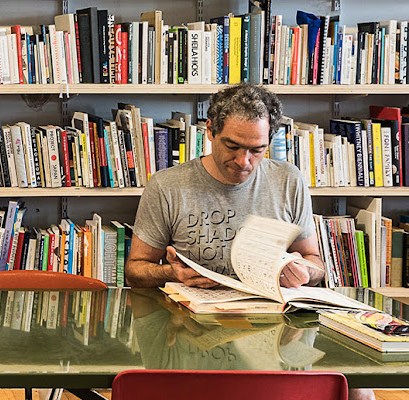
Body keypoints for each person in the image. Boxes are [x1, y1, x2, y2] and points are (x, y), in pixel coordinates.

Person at [125, 83, 373, 400]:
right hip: (193, 331)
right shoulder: (168, 186)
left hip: (274, 332)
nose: (244, 161)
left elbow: (315, 264)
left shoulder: (288, 180)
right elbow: (135, 270)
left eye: (257, 150)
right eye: (232, 146)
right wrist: (170, 273)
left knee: (361, 391)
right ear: (210, 129)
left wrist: (301, 270)